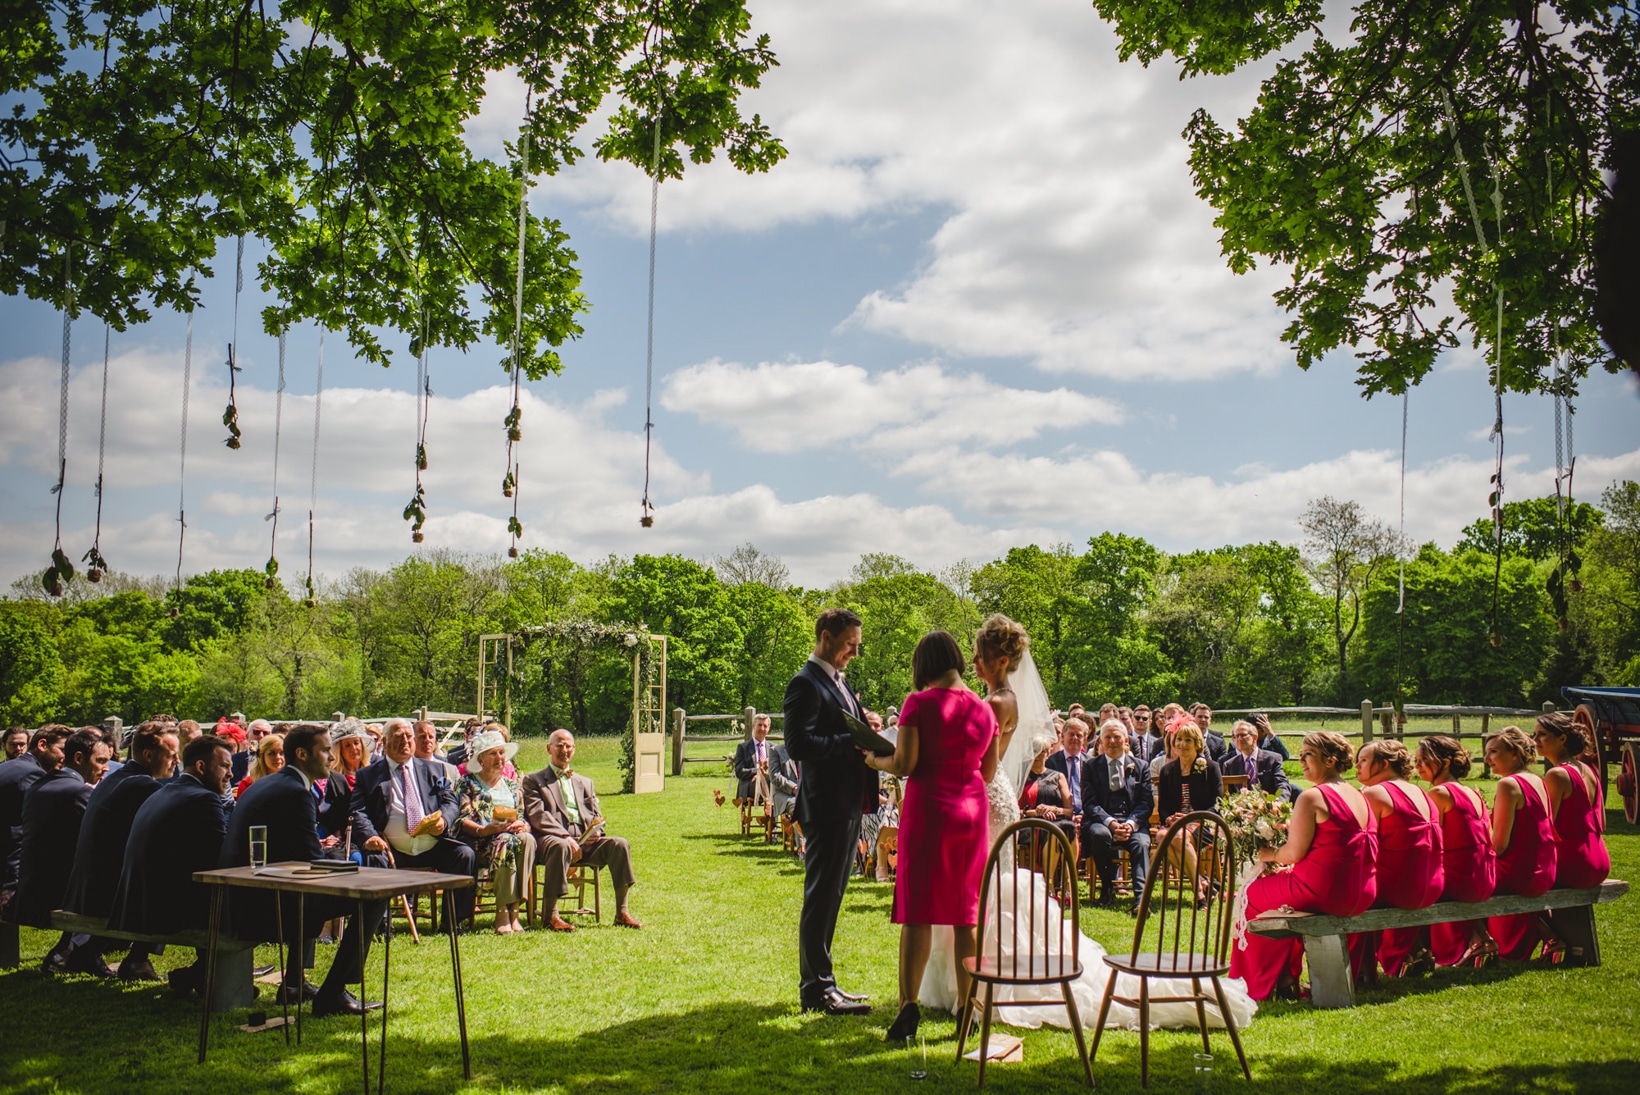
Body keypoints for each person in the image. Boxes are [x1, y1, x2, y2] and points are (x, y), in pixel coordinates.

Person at [864, 630, 998, 1043]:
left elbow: (904, 763)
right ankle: (967, 1008)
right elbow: (988, 773)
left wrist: (871, 757)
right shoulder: (984, 709)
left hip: (929, 810)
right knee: (965, 914)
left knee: (917, 911)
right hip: (971, 812)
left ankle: (908, 1006)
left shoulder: (917, 703)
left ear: (922, 665)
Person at [226, 724, 386, 1017]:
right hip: (260, 905)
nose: (330, 757)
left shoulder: (270, 783)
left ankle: (294, 984)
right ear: (301, 754)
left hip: (245, 892)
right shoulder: (296, 792)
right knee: (374, 896)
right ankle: (333, 992)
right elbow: (312, 859)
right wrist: (357, 873)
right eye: (325, 750)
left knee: (314, 892)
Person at [1229, 731, 1378, 1000]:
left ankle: (1256, 983)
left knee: (1248, 895)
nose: (1301, 760)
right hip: (1362, 891)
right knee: (1279, 897)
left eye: (1308, 754)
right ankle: (1286, 975)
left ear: (1330, 760)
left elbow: (1293, 853)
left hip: (1323, 890)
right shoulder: (1359, 795)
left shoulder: (1312, 797)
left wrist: (1267, 854)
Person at [783, 606, 877, 1016]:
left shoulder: (837, 681)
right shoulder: (804, 684)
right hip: (825, 805)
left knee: (833, 895)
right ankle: (816, 990)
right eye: (849, 646)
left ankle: (826, 983)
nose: (853, 653)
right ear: (825, 637)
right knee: (821, 897)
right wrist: (849, 742)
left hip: (847, 802)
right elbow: (799, 744)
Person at [108, 733, 234, 995]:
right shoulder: (204, 798)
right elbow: (223, 858)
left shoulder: (164, 791)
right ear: (201, 767)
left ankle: (202, 973)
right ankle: (208, 975)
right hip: (164, 910)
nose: (231, 775)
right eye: (225, 766)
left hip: (137, 901)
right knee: (251, 905)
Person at [59, 721, 180, 980]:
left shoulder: (115, 779)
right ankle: (139, 959)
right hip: (105, 893)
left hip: (86, 887)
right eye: (171, 755)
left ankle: (88, 952)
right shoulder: (144, 787)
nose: (177, 761)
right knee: (175, 881)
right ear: (149, 755)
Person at [352, 720, 477, 926]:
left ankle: (453, 922)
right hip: (391, 847)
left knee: (464, 855)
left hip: (431, 843)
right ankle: (379, 924)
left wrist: (444, 820)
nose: (405, 742)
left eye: (408, 737)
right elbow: (358, 811)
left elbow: (450, 801)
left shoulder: (434, 769)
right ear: (385, 741)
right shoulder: (369, 775)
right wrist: (370, 836)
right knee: (375, 858)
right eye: (398, 737)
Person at [521, 729, 642, 931]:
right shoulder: (534, 781)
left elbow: (596, 814)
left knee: (619, 844)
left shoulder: (585, 782)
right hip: (552, 840)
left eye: (568, 746)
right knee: (560, 846)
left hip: (585, 841)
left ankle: (622, 912)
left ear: (574, 750)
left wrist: (597, 832)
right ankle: (551, 916)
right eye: (559, 745)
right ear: (548, 748)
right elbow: (538, 816)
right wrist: (566, 836)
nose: (564, 750)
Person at [17, 728, 111, 972]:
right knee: (122, 887)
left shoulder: (38, 786)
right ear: (79, 759)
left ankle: (69, 950)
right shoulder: (79, 792)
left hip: (30, 885)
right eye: (100, 761)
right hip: (56, 891)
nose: (106, 768)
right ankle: (78, 954)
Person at [1350, 740, 1443, 981]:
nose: (1356, 766)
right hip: (1431, 885)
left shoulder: (1374, 793)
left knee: (1346, 892)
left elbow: (1363, 849)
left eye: (1363, 761)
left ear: (1383, 764)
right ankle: (1412, 951)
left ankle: (1358, 971)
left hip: (1399, 887)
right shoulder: (1420, 791)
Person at [1414, 736, 1496, 967]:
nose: (1417, 766)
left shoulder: (1439, 794)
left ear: (1446, 762)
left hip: (1460, 878)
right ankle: (1483, 939)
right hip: (1483, 876)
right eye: (1416, 760)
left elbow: (1429, 844)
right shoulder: (1473, 792)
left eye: (1423, 760)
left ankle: (1416, 952)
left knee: (1413, 886)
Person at [1481, 726, 1559, 961]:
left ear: (1514, 754)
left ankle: (1479, 944)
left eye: (1493, 752)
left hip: (1521, 871)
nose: (1487, 759)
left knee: (1467, 881)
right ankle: (1552, 938)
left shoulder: (1508, 785)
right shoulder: (1536, 780)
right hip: (1545, 868)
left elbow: (1501, 845)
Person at [456, 730, 534, 935]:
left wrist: (523, 825)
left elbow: (521, 815)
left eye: (502, 753)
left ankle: (515, 911)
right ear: (480, 759)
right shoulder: (467, 784)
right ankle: (502, 912)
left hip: (511, 839)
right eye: (493, 754)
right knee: (506, 841)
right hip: (481, 841)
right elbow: (461, 820)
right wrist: (484, 829)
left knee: (528, 839)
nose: (500, 758)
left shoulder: (512, 785)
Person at [1084, 719, 1154, 912]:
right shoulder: (1091, 766)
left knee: (1140, 843)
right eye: (1108, 737)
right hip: (1102, 821)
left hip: (1133, 821)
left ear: (1126, 741)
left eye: (1117, 737)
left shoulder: (1141, 766)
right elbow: (1090, 802)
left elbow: (1146, 802)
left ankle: (1141, 899)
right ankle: (1107, 888)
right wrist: (1111, 823)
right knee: (1099, 835)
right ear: (1100, 742)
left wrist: (1131, 824)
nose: (1112, 741)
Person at [1537, 712, 1611, 893]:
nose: (1535, 739)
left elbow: (1546, 828)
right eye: (1535, 734)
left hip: (1573, 863)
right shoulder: (1587, 770)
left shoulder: (1557, 774)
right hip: (1600, 858)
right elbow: (1602, 822)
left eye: (1542, 734)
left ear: (1562, 738)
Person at [1, 725, 69, 902]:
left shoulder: (12, 766)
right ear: (42, 745)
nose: (65, 757)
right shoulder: (32, 775)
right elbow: (16, 832)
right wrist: (11, 886)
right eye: (62, 749)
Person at [1019, 735, 1077, 850]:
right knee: (1047, 831)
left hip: (1056, 821)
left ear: (1048, 754)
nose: (1037, 755)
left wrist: (1052, 809)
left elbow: (1069, 811)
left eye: (1041, 751)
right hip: (1028, 824)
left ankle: (1067, 868)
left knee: (1067, 828)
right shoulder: (1021, 778)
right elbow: (1015, 811)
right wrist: (1036, 813)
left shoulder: (1058, 777)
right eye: (1034, 751)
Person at [1221, 720, 1296, 802]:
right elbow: (1228, 794)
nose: (1239, 739)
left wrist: (1279, 802)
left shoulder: (1273, 759)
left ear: (1255, 737)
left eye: (1243, 735)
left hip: (1269, 807)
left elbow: (1282, 784)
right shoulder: (1229, 765)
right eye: (1236, 736)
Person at [1044, 716, 1091, 816]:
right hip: (1059, 814)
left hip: (1087, 815)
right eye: (1071, 734)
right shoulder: (1050, 762)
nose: (1075, 738)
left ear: (1085, 739)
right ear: (1063, 736)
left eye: (1079, 735)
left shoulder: (1091, 763)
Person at [731, 715, 774, 808]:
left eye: (765, 726)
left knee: (777, 782)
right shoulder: (743, 747)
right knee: (770, 783)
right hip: (750, 785)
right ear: (754, 726)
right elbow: (739, 771)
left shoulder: (773, 748)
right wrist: (758, 771)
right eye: (759, 725)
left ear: (769, 728)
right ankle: (771, 817)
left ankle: (774, 820)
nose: (762, 729)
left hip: (770, 781)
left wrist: (763, 776)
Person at [768, 738, 802, 851]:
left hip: (806, 794)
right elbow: (775, 777)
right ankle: (803, 850)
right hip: (785, 795)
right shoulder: (776, 751)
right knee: (800, 808)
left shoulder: (807, 751)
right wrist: (794, 788)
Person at [233, 732, 285, 799]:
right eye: (272, 753)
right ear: (261, 755)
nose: (278, 757)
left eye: (282, 753)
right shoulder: (248, 784)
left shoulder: (294, 781)